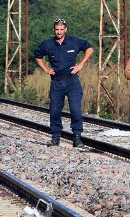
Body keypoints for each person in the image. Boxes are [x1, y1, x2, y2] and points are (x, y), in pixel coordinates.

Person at [34, 18, 95, 148]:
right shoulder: (48, 44)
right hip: (56, 83)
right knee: (55, 111)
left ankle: (77, 138)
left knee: (75, 110)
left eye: (62, 29)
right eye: (57, 29)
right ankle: (55, 137)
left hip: (72, 82)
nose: (59, 32)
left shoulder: (74, 42)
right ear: (54, 30)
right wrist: (45, 69)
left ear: (66, 29)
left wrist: (80, 65)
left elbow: (89, 49)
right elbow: (37, 56)